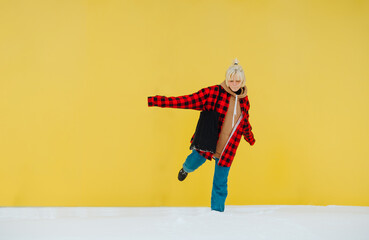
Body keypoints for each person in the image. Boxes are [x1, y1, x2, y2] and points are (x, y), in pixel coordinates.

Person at [147, 58, 255, 212]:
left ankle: (217, 214)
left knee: (220, 183)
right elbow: (187, 101)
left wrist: (250, 138)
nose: (234, 84)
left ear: (242, 81)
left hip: (227, 149)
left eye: (238, 81)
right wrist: (158, 101)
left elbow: (245, 122)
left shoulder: (244, 101)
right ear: (227, 79)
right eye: (231, 80)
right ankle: (185, 169)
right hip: (208, 142)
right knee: (193, 163)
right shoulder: (214, 93)